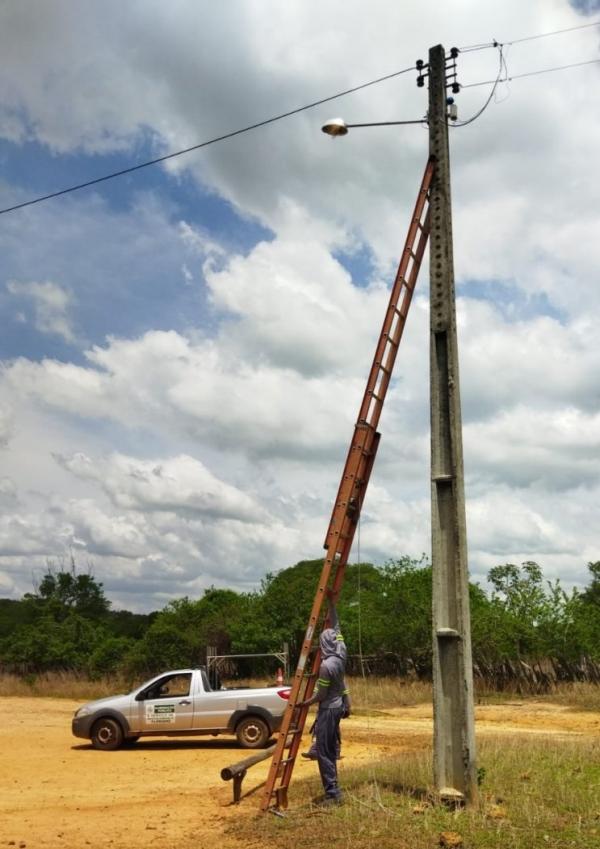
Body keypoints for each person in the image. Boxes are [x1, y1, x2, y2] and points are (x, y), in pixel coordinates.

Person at [298, 593, 350, 805]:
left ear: (322, 645)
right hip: (338, 705)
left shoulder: (326, 667)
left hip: (328, 708)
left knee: (324, 752)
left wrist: (307, 702)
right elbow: (336, 628)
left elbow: (320, 694)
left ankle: (332, 793)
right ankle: (333, 787)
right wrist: (331, 604)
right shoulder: (341, 650)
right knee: (327, 745)